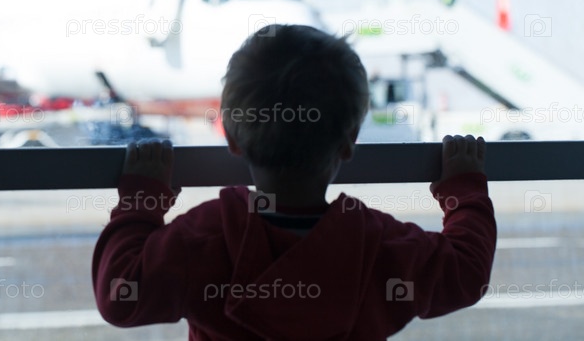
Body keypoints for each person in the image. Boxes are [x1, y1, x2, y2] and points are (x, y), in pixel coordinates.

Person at [92, 24, 496, 340]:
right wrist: (464, 189)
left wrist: (141, 201)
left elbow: (119, 294)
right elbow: (466, 272)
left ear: (232, 137)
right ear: (349, 142)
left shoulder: (207, 239)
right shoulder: (379, 247)